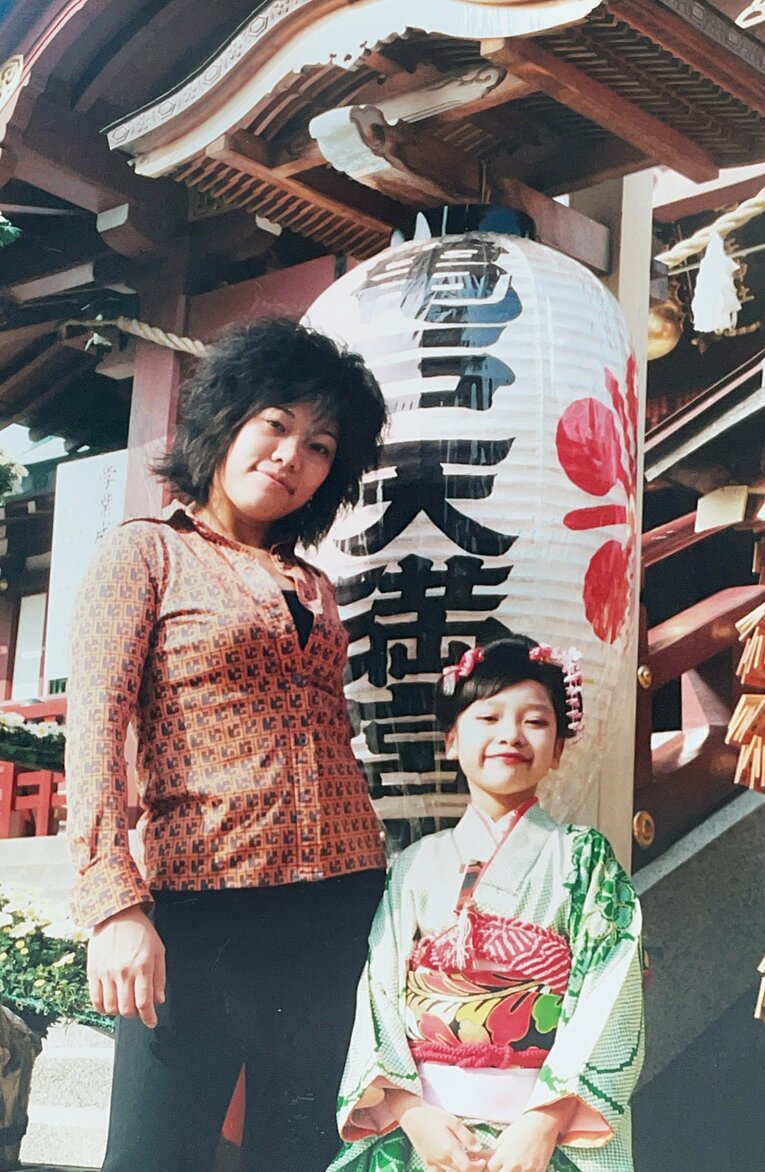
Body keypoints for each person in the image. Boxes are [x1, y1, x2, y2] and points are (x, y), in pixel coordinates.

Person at [65, 318, 389, 1172]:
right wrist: (113, 905)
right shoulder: (146, 554)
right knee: (154, 1152)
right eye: (275, 423)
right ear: (229, 420)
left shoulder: (312, 586)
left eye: (320, 446)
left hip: (335, 897)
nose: (291, 455)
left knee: (302, 1147)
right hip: (200, 902)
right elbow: (93, 734)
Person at [327, 636, 644, 1172]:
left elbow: (610, 995)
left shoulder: (584, 861)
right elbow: (380, 996)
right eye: (488, 718)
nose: (510, 736)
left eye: (535, 722)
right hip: (428, 1137)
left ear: (559, 748)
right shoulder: (414, 868)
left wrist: (543, 1123)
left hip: (541, 1138)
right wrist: (409, 1112)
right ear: (451, 739)